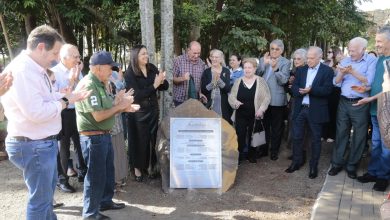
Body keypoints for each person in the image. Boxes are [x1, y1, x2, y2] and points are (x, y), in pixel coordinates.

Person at [2, 25, 90, 220]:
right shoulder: (24, 71)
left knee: (45, 199)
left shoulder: (35, 68)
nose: (57, 58)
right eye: (55, 52)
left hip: (39, 143)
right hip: (33, 144)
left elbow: (46, 97)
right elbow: (37, 112)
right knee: (40, 202)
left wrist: (68, 96)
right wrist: (66, 101)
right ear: (41, 47)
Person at [75, 51, 135, 219]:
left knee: (107, 171)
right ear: (98, 68)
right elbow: (99, 115)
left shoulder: (100, 83)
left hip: (102, 135)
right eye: (110, 68)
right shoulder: (89, 85)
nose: (112, 72)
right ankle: (90, 214)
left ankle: (105, 201)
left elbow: (107, 106)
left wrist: (118, 101)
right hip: (94, 137)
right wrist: (120, 106)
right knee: (95, 177)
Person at [327, 37, 377, 179]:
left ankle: (352, 166)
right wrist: (342, 73)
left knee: (359, 136)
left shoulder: (371, 61)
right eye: (349, 49)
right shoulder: (345, 60)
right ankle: (336, 164)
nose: (350, 52)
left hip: (360, 103)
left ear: (363, 50)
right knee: (341, 132)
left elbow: (369, 82)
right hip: (343, 101)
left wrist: (352, 72)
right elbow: (335, 83)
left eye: (353, 50)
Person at [285, 46, 334, 179]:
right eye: (308, 58)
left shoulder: (328, 71)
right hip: (301, 108)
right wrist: (299, 91)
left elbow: (328, 91)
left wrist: (310, 90)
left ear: (319, 57)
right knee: (297, 137)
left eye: (312, 58)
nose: (309, 60)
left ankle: (313, 167)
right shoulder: (301, 70)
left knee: (315, 140)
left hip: (316, 110)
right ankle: (296, 162)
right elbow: (294, 87)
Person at [354, 26, 390, 192]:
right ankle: (374, 172)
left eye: (379, 41)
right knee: (375, 143)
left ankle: (383, 177)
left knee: (386, 146)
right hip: (375, 110)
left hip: (386, 112)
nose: (376, 45)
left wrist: (371, 98)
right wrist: (365, 89)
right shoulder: (381, 59)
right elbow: (377, 84)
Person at [125, 45, 169, 182]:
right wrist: (154, 86)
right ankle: (137, 168)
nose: (146, 56)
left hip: (153, 110)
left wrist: (161, 81)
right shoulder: (130, 73)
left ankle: (151, 167)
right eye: (143, 54)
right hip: (138, 112)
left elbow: (165, 86)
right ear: (135, 57)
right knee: (139, 140)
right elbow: (137, 95)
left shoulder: (152, 68)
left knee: (152, 140)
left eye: (146, 53)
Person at [51, 44, 87, 193]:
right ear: (63, 57)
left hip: (78, 111)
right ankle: (62, 179)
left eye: (79, 56)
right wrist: (71, 82)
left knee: (80, 143)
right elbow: (56, 96)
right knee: (63, 147)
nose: (78, 60)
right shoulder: (54, 72)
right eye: (75, 57)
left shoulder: (78, 70)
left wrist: (77, 77)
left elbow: (84, 88)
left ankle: (83, 172)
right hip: (63, 113)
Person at [229, 58, 271, 163]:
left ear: (255, 69)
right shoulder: (238, 81)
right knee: (240, 135)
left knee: (253, 135)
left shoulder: (261, 81)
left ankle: (251, 155)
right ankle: (239, 155)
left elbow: (267, 97)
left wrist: (261, 109)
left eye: (250, 67)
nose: (247, 70)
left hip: (255, 114)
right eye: (245, 67)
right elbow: (231, 96)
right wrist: (235, 103)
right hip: (240, 114)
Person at [256, 39, 291, 160]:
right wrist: (264, 64)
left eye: (277, 49)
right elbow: (257, 75)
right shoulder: (263, 59)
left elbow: (284, 80)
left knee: (276, 127)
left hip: (277, 99)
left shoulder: (286, 62)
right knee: (264, 126)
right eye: (272, 48)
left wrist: (275, 68)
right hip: (263, 99)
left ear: (281, 50)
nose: (274, 51)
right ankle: (264, 149)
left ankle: (274, 151)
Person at [107, 67, 129, 189]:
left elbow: (121, 90)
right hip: (110, 127)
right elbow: (109, 104)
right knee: (113, 153)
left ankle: (120, 177)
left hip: (118, 123)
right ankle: (114, 180)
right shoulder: (98, 85)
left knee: (120, 151)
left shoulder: (112, 78)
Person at [286, 48, 310, 159]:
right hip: (294, 101)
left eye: (299, 59)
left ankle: (302, 152)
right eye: (294, 58)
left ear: (305, 60)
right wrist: (290, 84)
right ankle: (296, 151)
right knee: (293, 125)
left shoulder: (307, 70)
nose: (296, 61)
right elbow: (289, 89)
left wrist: (294, 87)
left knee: (301, 127)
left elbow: (305, 88)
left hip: (302, 102)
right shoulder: (294, 71)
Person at [201, 49, 232, 123]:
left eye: (216, 57)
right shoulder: (206, 72)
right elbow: (203, 90)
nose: (214, 59)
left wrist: (219, 80)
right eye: (212, 57)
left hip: (223, 106)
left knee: (223, 128)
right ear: (210, 58)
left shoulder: (226, 71)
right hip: (209, 105)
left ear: (221, 59)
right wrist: (212, 83)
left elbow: (227, 89)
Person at [172, 41, 205, 107]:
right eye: (194, 53)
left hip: (195, 100)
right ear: (188, 50)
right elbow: (172, 79)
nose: (196, 56)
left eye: (198, 53)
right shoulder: (178, 61)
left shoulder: (201, 63)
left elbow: (200, 81)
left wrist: (200, 93)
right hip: (180, 101)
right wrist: (182, 78)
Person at [322, 46, 343, 143]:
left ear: (335, 53)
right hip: (325, 90)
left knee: (333, 113)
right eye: (328, 51)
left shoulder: (340, 65)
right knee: (324, 112)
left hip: (335, 91)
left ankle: (332, 134)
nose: (328, 53)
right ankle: (323, 133)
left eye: (330, 52)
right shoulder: (324, 63)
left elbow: (338, 81)